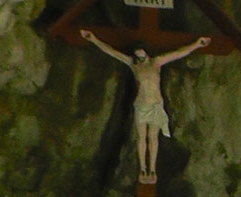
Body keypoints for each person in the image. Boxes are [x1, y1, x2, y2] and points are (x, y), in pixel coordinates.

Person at [80, 30, 212, 180]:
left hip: (156, 104)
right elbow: (112, 52)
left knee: (153, 137)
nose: (141, 58)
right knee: (142, 137)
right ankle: (143, 169)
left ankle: (152, 169)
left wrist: (196, 44)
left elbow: (178, 53)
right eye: (138, 56)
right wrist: (94, 39)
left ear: (147, 52)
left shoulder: (157, 62)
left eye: (142, 54)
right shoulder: (133, 64)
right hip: (141, 104)